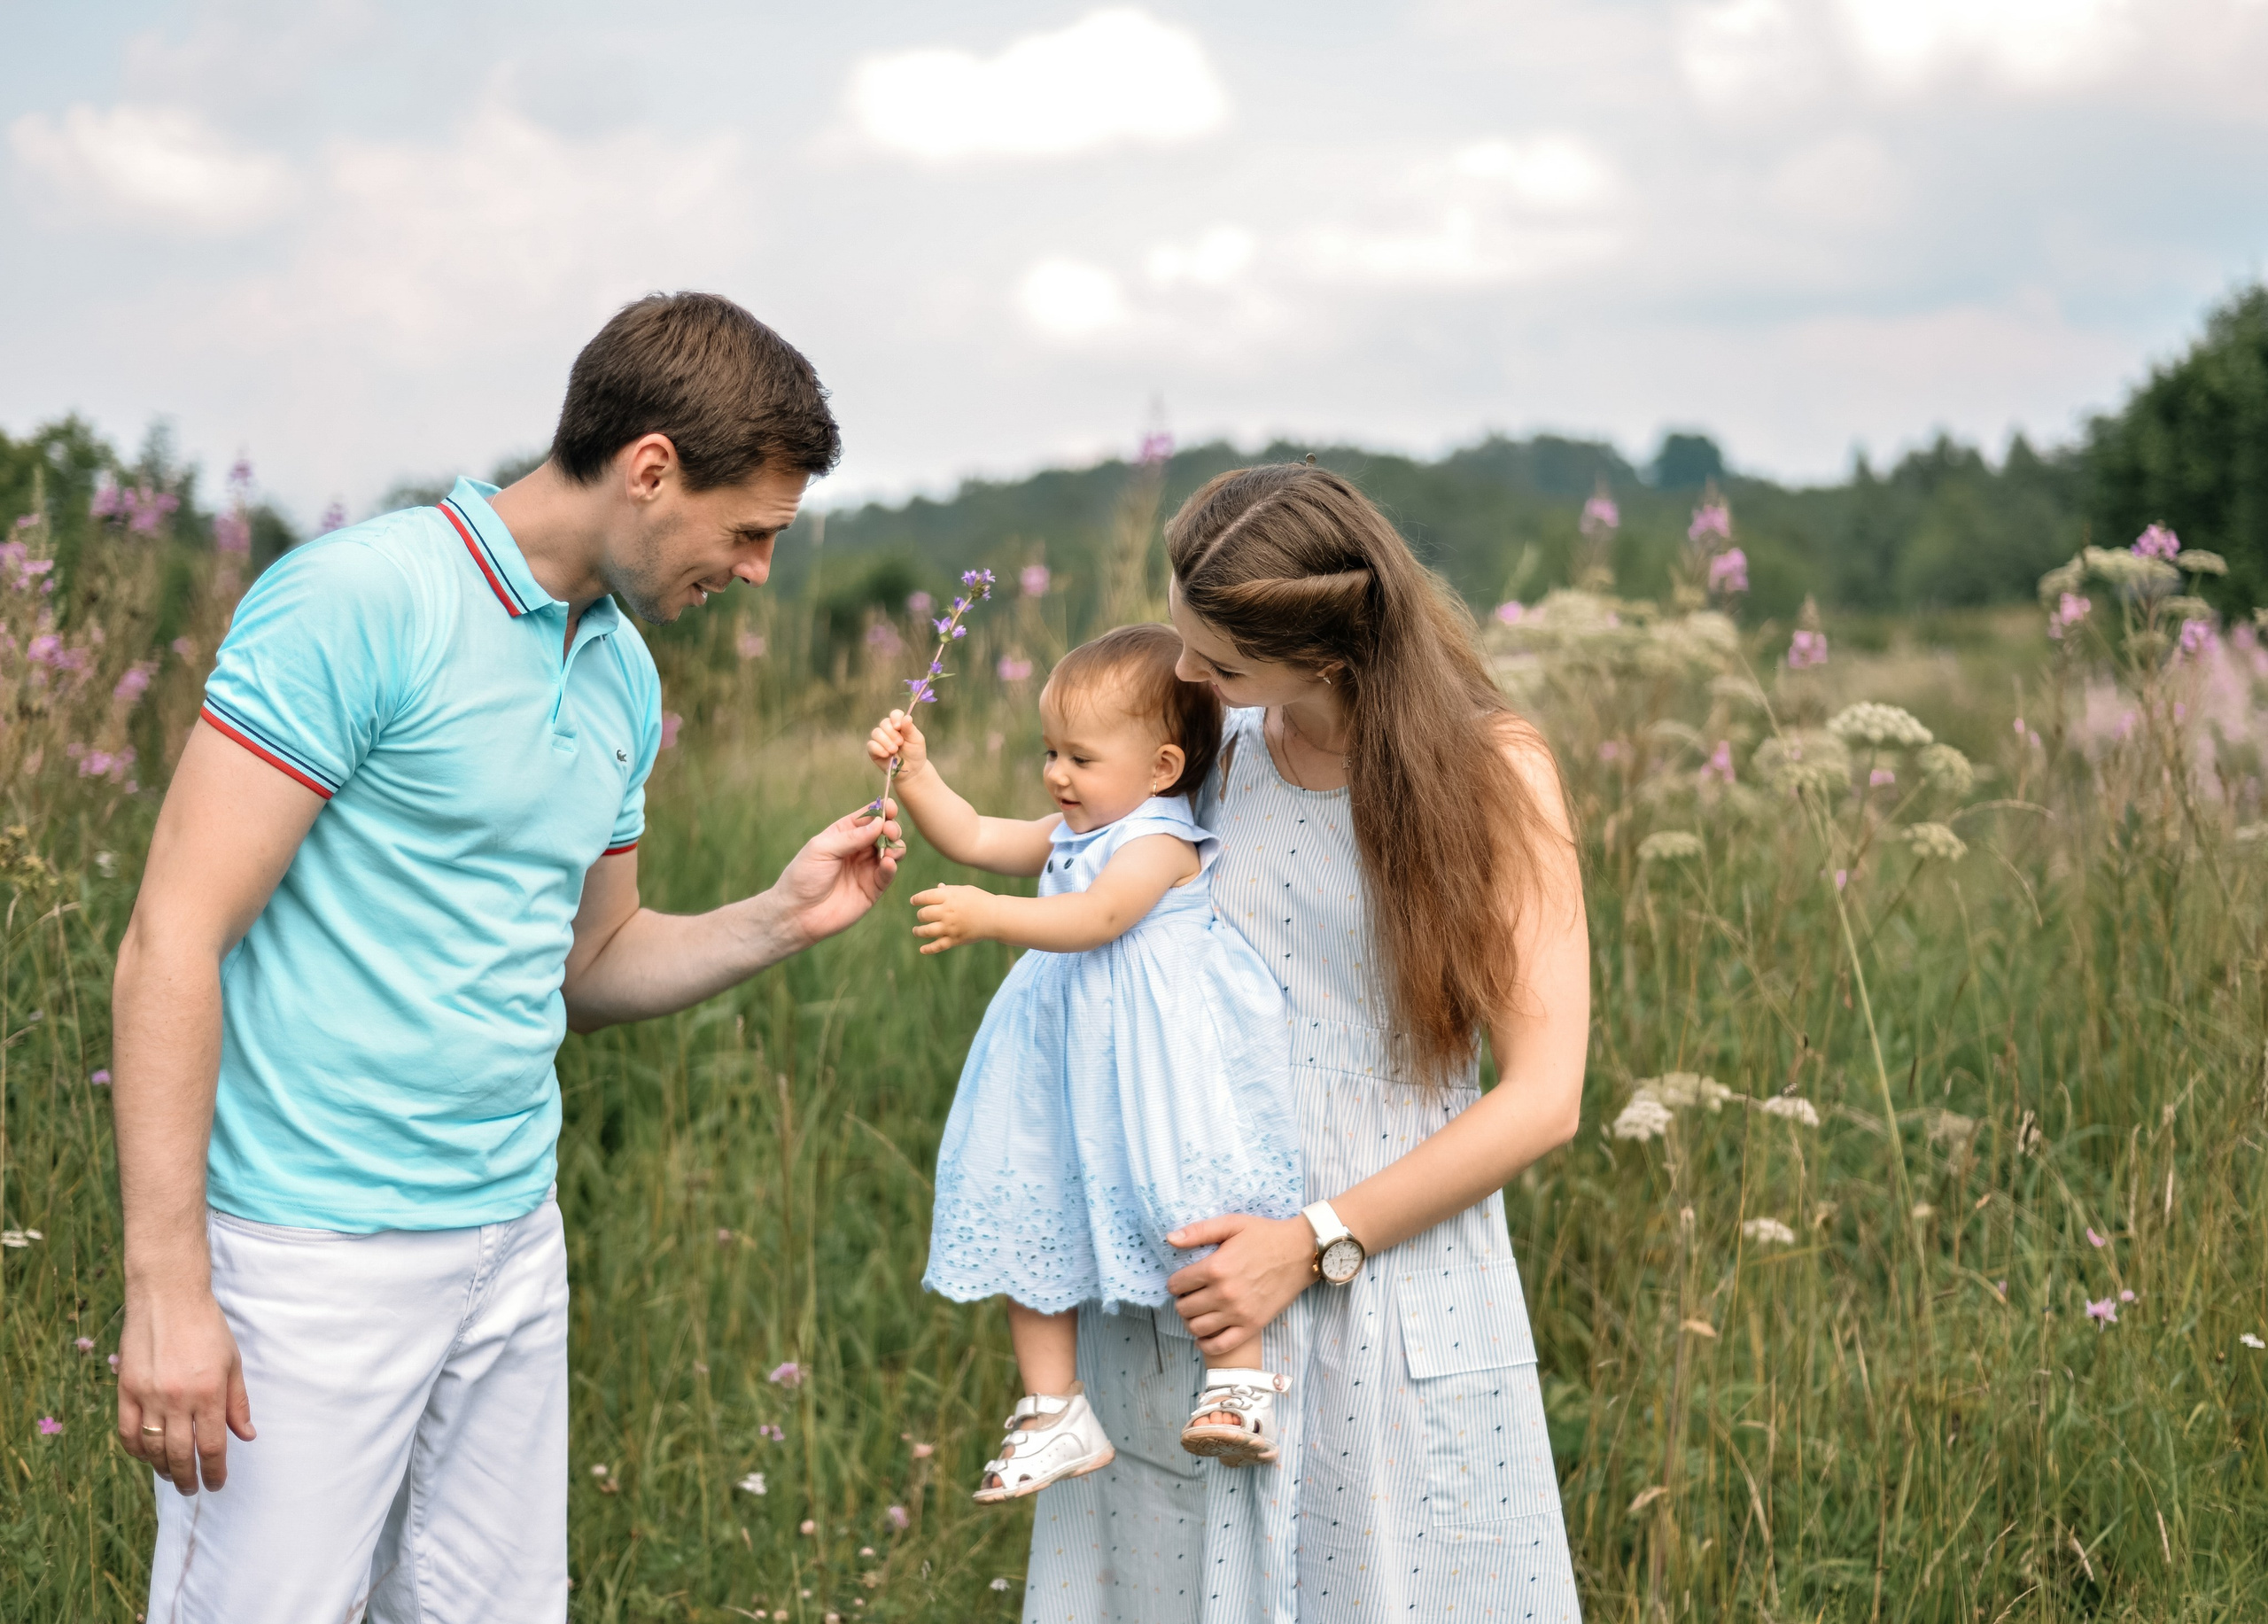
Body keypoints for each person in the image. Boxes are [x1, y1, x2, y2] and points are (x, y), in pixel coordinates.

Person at [109, 292, 904, 1622]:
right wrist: (168, 1285)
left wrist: (780, 915)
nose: (759, 567)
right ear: (652, 469)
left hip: (508, 1244)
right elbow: (169, 942)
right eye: (751, 529)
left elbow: (590, 965)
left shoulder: (625, 677)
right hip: (309, 1253)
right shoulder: (360, 598)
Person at [1021, 463, 1590, 1622]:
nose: (1189, 677)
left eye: (1220, 662)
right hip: (1201, 1297)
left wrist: (1313, 1242)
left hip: (1396, 1288)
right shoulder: (1210, 751)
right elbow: (1089, 895)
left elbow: (1546, 1097)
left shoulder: (1493, 773)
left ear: (1330, 655)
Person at [866, 625, 1307, 1502]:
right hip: (1063, 1072)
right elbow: (977, 836)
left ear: (1159, 765)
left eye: (1079, 757)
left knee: (1191, 1202)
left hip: (1156, 1074)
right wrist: (916, 775)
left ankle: (1235, 1381)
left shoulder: (1156, 842)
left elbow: (1100, 918)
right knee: (1032, 1207)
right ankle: (1051, 1408)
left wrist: (992, 918)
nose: (1055, 776)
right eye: (1049, 752)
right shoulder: (1075, 828)